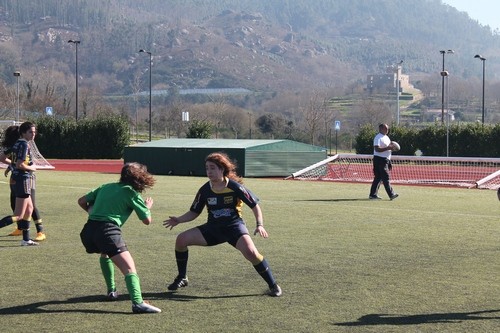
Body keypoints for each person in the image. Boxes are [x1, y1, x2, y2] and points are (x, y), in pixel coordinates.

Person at [163, 152, 282, 297]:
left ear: (222, 169)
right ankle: (182, 277)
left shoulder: (235, 187)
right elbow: (194, 212)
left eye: (213, 168)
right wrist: (178, 220)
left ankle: (273, 285)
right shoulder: (204, 190)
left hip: (234, 228)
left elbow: (254, 205)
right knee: (181, 240)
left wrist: (260, 224)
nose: (209, 171)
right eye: (207, 168)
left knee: (251, 253)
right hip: (213, 229)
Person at [77, 162, 161, 314]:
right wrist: (147, 208)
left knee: (105, 253)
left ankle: (111, 290)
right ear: (140, 178)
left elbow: (81, 201)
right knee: (129, 268)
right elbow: (147, 221)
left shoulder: (106, 186)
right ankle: (138, 303)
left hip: (89, 231)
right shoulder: (130, 192)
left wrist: (91, 210)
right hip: (107, 231)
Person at [0, 125, 46, 241]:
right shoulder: (24, 144)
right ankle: (33, 233)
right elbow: (20, 164)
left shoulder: (17, 144)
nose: (33, 134)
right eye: (31, 132)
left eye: (34, 132)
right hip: (23, 179)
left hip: (17, 178)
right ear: (23, 133)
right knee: (19, 214)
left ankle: (26, 239)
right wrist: (32, 168)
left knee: (29, 209)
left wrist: (12, 166)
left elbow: (7, 159)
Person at [369, 123, 398, 200]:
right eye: (386, 128)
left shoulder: (386, 138)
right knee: (385, 177)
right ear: (381, 129)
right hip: (379, 160)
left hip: (385, 160)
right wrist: (388, 148)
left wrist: (392, 149)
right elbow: (377, 149)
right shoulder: (378, 137)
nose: (387, 130)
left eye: (388, 129)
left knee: (378, 178)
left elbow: (388, 149)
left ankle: (373, 195)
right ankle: (391, 194)